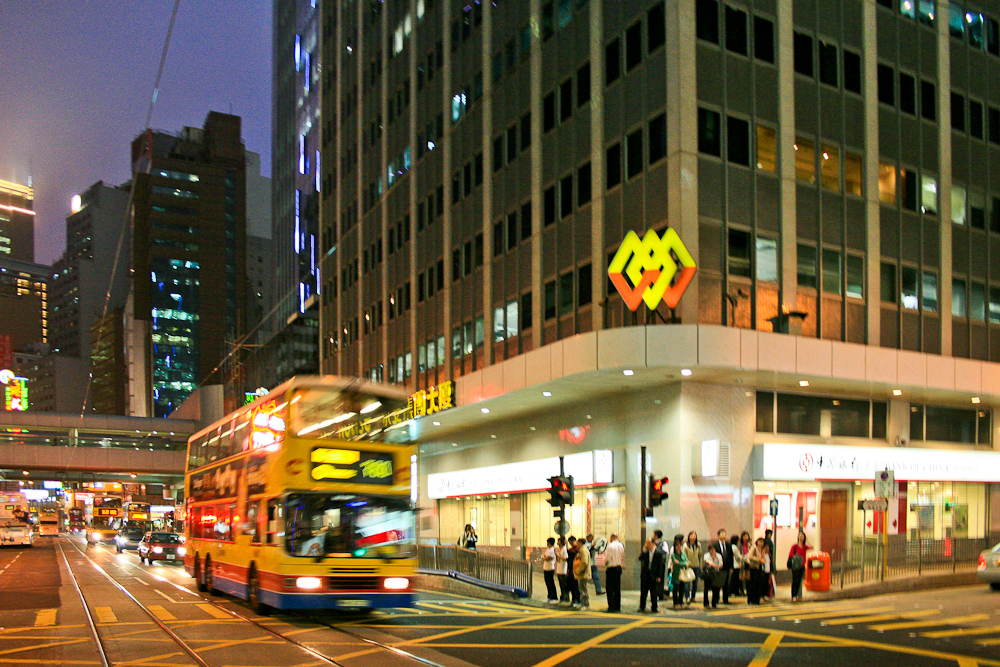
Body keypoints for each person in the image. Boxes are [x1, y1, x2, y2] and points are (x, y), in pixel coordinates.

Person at [637, 538, 663, 613]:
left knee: (654, 592)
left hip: (653, 575)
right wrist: (644, 550)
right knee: (643, 591)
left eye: (649, 543)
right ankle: (642, 606)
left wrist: (659, 576)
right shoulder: (646, 552)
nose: (648, 544)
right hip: (645, 574)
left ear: (653, 543)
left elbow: (660, 565)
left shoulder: (658, 553)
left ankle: (654, 607)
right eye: (647, 543)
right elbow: (640, 558)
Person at [603, 533, 624, 612]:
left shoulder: (610, 546)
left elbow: (607, 558)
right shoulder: (621, 545)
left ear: (611, 537)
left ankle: (611, 607)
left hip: (611, 568)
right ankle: (617, 606)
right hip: (618, 567)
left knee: (610, 588)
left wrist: (605, 563)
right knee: (617, 588)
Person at [788, 530, 811, 602]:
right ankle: (793, 596)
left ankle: (796, 595)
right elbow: (791, 555)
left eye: (802, 536)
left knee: (799, 581)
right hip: (796, 566)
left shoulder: (805, 547)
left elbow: (811, 546)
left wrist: (807, 541)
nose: (801, 537)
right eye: (800, 536)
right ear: (798, 537)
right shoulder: (794, 546)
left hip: (802, 565)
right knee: (795, 581)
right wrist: (797, 557)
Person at [714, 529, 734, 604]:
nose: (724, 535)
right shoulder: (715, 545)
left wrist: (731, 567)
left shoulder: (728, 545)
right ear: (718, 536)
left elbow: (731, 556)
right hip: (719, 567)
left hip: (727, 567)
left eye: (725, 534)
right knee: (718, 583)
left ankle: (725, 599)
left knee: (726, 584)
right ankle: (716, 599)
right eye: (722, 534)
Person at [669, 535, 689, 609]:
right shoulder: (673, 554)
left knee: (682, 588)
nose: (678, 547)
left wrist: (682, 563)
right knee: (675, 588)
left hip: (682, 574)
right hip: (676, 573)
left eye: (679, 546)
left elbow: (687, 562)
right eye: (677, 546)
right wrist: (683, 563)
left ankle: (681, 601)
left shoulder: (683, 554)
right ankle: (675, 602)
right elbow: (675, 562)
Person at [702, 542, 724, 608]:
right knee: (706, 589)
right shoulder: (707, 555)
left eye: (713, 550)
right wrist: (711, 563)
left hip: (716, 574)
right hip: (708, 574)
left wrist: (714, 565)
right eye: (711, 550)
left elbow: (721, 565)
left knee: (715, 588)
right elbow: (706, 561)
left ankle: (714, 602)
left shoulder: (719, 556)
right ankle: (706, 603)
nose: (712, 551)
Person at [746, 536, 766, 605]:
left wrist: (763, 560)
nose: (761, 543)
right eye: (759, 542)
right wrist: (758, 559)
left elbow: (763, 557)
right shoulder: (754, 548)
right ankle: (752, 599)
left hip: (759, 567)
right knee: (753, 584)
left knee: (759, 584)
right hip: (753, 567)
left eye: (762, 542)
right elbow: (749, 556)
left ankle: (757, 599)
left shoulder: (762, 550)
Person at [683, 531, 702, 605]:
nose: (693, 537)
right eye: (692, 536)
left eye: (695, 536)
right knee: (687, 582)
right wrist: (686, 564)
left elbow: (700, 555)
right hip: (688, 566)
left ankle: (693, 596)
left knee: (695, 582)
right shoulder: (686, 545)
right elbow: (684, 556)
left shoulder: (698, 545)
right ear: (689, 536)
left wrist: (700, 565)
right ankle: (687, 596)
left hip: (696, 566)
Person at [573, 534, 592, 610]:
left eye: (578, 543)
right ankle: (583, 603)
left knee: (583, 589)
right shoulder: (582, 550)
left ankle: (585, 604)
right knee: (582, 589)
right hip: (582, 573)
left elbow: (584, 562)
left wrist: (578, 570)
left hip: (583, 573)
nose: (577, 544)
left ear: (581, 543)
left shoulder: (583, 550)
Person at [652, 529, 667, 601]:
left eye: (654, 534)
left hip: (661, 564)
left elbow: (665, 553)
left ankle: (660, 594)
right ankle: (655, 593)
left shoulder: (663, 544)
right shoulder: (652, 543)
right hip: (654, 565)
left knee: (660, 579)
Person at [542, 537, 558, 604]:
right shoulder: (548, 549)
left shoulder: (552, 550)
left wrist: (544, 557)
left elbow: (548, 558)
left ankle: (554, 597)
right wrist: (544, 557)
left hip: (550, 568)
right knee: (547, 582)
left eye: (548, 542)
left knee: (551, 583)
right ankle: (549, 596)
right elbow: (545, 556)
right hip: (546, 567)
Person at [556, 537, 571, 604]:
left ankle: (566, 598)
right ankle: (563, 597)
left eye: (558, 541)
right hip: (559, 569)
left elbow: (565, 558)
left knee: (564, 585)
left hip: (563, 570)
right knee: (561, 585)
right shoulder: (560, 549)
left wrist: (558, 555)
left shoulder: (564, 550)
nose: (557, 543)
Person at [566, 536, 580, 607]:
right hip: (571, 569)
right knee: (571, 585)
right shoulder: (572, 549)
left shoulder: (577, 550)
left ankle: (577, 599)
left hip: (575, 570)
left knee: (575, 586)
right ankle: (574, 599)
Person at [763, 529, 776, 600]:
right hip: (766, 570)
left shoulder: (765, 541)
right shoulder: (769, 541)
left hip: (767, 569)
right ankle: (766, 594)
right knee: (766, 582)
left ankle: (766, 594)